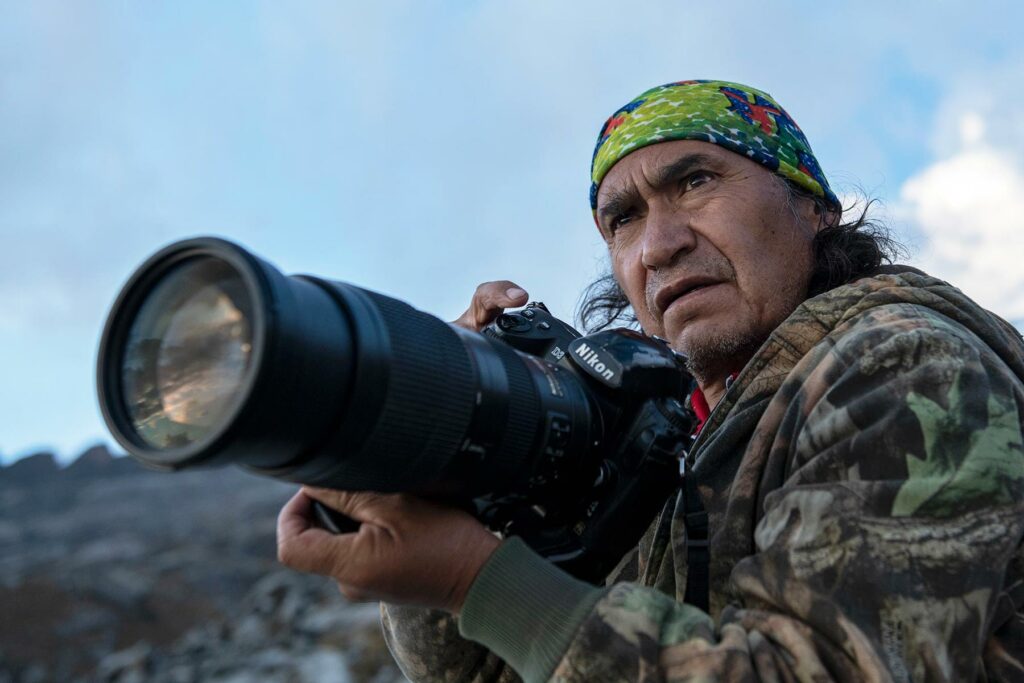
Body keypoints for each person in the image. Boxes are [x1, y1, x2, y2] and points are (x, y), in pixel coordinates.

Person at [276, 80, 1024, 682]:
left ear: (814, 209)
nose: (659, 245)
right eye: (623, 221)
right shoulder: (661, 450)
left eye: (696, 181)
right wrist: (444, 473)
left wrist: (481, 580)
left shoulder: (905, 367)